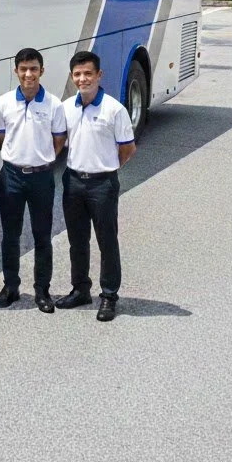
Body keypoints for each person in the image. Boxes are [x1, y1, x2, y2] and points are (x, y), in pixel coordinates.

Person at [57, 50, 137, 322]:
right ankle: (80, 289)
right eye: (77, 74)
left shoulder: (114, 109)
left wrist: (108, 169)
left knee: (107, 241)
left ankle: (109, 295)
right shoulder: (66, 107)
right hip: (73, 181)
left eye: (88, 73)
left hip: (102, 183)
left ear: (99, 75)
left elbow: (127, 148)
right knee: (77, 240)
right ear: (72, 77)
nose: (83, 79)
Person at [0, 47, 67, 313]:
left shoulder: (54, 104)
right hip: (11, 176)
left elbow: (59, 141)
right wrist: (18, 158)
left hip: (41, 177)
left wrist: (40, 159)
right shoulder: (3, 103)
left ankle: (42, 290)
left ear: (42, 71)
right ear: (16, 71)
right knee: (10, 235)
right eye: (23, 69)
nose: (28, 74)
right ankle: (10, 287)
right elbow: (0, 135)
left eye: (34, 68)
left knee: (42, 235)